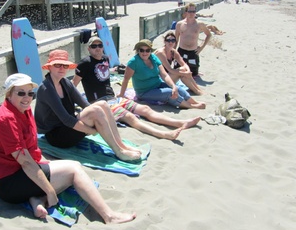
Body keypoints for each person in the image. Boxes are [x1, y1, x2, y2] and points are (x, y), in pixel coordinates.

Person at [0, 73, 136, 224]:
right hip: (7, 183)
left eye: (30, 93)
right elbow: (25, 162)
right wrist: (50, 190)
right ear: (9, 94)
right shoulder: (7, 118)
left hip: (20, 172)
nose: (27, 98)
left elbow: (29, 153)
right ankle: (109, 216)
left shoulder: (23, 110)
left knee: (67, 169)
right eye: (21, 93)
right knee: (74, 169)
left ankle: (37, 198)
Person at [72, 37, 201, 141]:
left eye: (100, 46)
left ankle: (179, 122)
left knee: (145, 109)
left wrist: (121, 94)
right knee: (130, 117)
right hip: (100, 103)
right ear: (89, 49)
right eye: (94, 46)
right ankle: (163, 134)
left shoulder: (106, 59)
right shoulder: (84, 64)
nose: (97, 49)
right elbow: (73, 85)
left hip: (113, 98)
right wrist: (78, 104)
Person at [34, 49, 143, 161]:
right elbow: (66, 119)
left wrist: (100, 122)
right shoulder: (46, 88)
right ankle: (119, 151)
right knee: (95, 110)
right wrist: (93, 131)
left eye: (65, 65)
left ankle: (121, 145)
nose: (61, 68)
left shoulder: (65, 82)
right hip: (56, 136)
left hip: (68, 128)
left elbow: (85, 104)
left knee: (103, 104)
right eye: (57, 65)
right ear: (49, 67)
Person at [117, 39, 206, 109]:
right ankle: (190, 106)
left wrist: (173, 86)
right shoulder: (134, 62)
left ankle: (194, 102)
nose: (144, 53)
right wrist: (121, 94)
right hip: (144, 91)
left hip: (157, 84)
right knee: (168, 92)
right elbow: (126, 79)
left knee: (178, 89)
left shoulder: (154, 58)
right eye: (142, 50)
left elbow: (164, 75)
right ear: (138, 51)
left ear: (150, 51)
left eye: (147, 50)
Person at [175, 3, 212, 76]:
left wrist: (201, 47)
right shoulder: (180, 24)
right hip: (181, 51)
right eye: (189, 11)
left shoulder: (199, 24)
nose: (191, 13)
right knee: (178, 72)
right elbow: (176, 39)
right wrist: (172, 52)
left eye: (193, 11)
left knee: (194, 74)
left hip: (193, 52)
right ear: (186, 12)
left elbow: (209, 34)